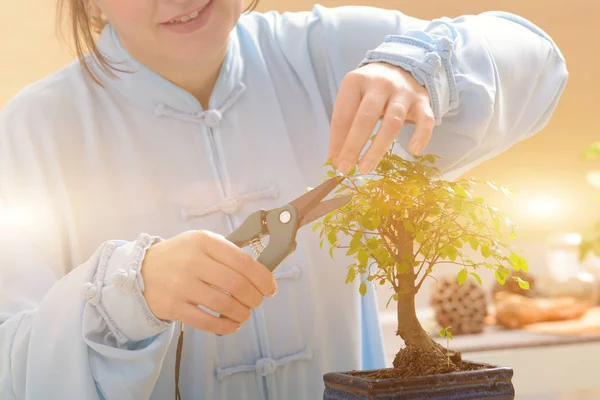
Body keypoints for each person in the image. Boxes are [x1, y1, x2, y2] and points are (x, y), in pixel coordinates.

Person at [0, 0, 567, 399]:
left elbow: (537, 63)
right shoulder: (32, 131)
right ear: (90, 4)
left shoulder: (330, 50)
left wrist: (419, 65)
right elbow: (12, 363)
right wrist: (129, 289)